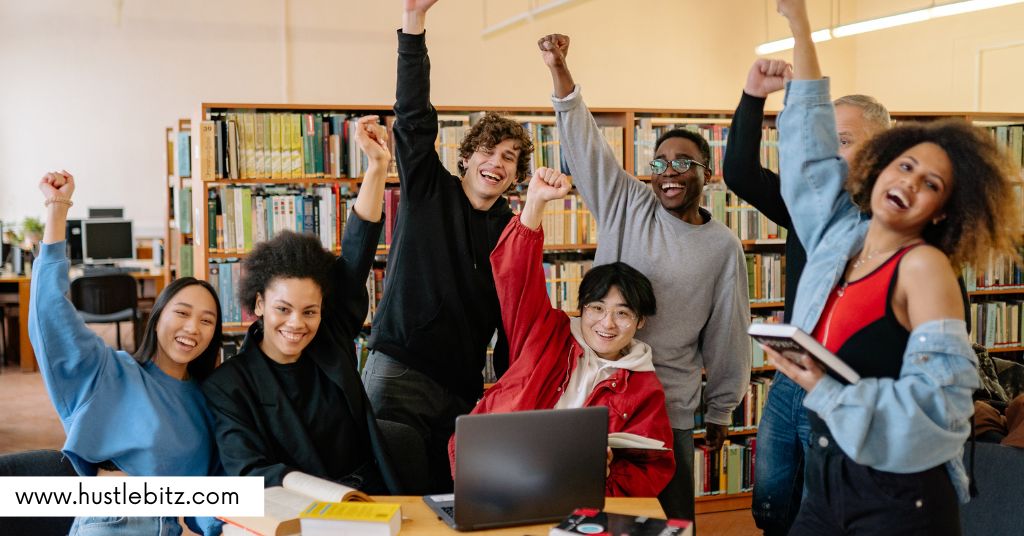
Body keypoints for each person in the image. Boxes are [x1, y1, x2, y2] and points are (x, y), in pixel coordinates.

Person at [764, 0, 1022, 533]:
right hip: (828, 472)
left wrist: (827, 389)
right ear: (879, 168)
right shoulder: (838, 234)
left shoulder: (924, 267)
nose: (908, 182)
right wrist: (800, 27)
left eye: (931, 183)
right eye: (905, 165)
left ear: (945, 211)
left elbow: (944, 412)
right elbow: (808, 148)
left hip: (898, 495)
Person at [538, 33, 751, 520]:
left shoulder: (722, 246)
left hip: (667, 404)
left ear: (707, 172)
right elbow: (585, 144)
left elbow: (728, 330)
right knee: (586, 517)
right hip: (600, 392)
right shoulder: (627, 203)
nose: (668, 172)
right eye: (659, 163)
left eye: (682, 163)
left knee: (669, 521)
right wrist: (559, 70)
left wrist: (720, 409)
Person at [361, 0, 536, 493]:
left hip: (461, 391)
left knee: (448, 504)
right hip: (398, 374)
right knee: (390, 500)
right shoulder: (427, 189)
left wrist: (505, 394)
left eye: (509, 158)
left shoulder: (511, 231)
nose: (496, 163)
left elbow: (512, 320)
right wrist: (413, 23)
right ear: (467, 157)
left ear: (515, 175)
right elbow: (413, 114)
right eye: (488, 151)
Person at [722, 59, 891, 534]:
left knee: (823, 512)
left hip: (846, 386)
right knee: (772, 505)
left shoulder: (901, 227)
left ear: (881, 147)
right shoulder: (806, 209)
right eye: (824, 141)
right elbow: (738, 172)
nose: (831, 155)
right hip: (790, 381)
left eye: (845, 140)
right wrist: (755, 94)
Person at [202, 116, 402, 494]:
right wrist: (326, 492)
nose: (296, 323)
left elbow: (357, 254)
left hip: (371, 497)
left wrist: (377, 167)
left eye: (309, 311)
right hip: (294, 507)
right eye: (283, 308)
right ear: (258, 304)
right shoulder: (228, 385)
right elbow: (247, 471)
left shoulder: (331, 339)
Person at [448, 167, 675, 496]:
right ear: (581, 308)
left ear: (640, 321)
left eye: (622, 313)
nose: (606, 324)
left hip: (577, 497)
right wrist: (536, 202)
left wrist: (602, 482)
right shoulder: (545, 333)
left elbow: (651, 467)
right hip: (498, 476)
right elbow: (517, 275)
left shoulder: (644, 386)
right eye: (596, 309)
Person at [29, 171, 224, 535]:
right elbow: (49, 314)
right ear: (156, 315)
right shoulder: (108, 373)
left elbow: (207, 507)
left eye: (207, 320)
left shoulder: (207, 401)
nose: (192, 328)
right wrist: (57, 209)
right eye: (181, 313)